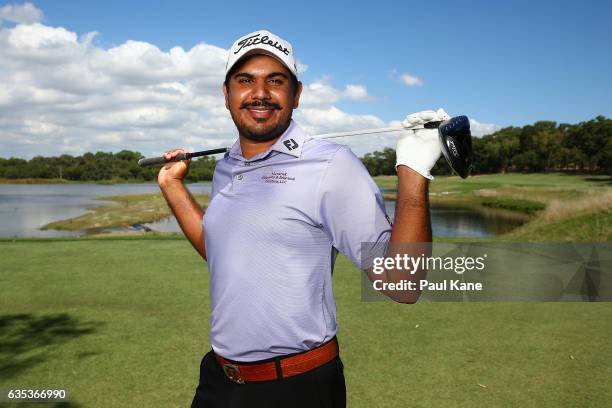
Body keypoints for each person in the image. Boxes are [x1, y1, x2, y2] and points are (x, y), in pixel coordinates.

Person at [157, 29, 449, 408]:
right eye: (245, 80)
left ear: (296, 95)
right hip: (219, 380)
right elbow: (223, 255)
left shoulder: (332, 164)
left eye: (275, 81)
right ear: (226, 94)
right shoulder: (226, 166)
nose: (259, 93)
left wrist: (413, 171)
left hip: (298, 386)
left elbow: (402, 283)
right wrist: (173, 188)